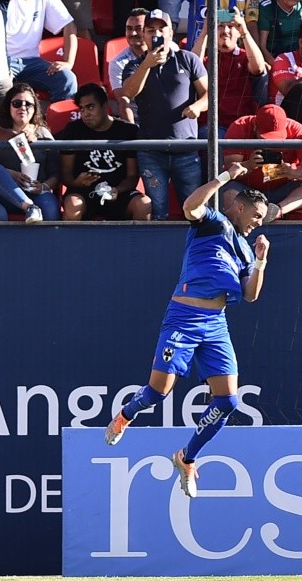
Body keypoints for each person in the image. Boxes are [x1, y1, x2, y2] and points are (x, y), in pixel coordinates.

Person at [104, 172, 271, 500]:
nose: (258, 224)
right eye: (256, 216)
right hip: (184, 317)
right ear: (238, 207)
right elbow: (190, 206)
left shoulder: (247, 251)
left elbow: (250, 295)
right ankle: (125, 415)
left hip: (216, 324)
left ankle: (187, 457)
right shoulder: (213, 222)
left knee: (228, 400)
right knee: (157, 393)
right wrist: (224, 178)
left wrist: (262, 260)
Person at [121, 8, 208, 220]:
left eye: (162, 28)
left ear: (171, 33)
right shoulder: (134, 65)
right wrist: (147, 64)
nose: (156, 34)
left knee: (194, 211)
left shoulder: (187, 59)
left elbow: (209, 95)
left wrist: (197, 107)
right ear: (144, 35)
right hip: (151, 151)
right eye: (151, 29)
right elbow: (129, 92)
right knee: (157, 211)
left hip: (186, 148)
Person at [59, 83, 151, 221]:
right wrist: (76, 183)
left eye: (90, 107)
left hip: (118, 192)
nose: (85, 114)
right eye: (82, 109)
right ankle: (70, 243)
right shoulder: (73, 129)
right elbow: (65, 174)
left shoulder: (127, 130)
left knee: (143, 205)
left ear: (104, 105)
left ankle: (136, 243)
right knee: (73, 204)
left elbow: (132, 176)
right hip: (83, 192)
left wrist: (117, 190)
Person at [0, 82, 60, 223]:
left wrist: (43, 187)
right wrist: (10, 174)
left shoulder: (43, 133)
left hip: (35, 192)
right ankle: (29, 207)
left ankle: (49, 244)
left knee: (50, 210)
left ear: (35, 108)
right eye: (17, 103)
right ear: (9, 106)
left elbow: (55, 173)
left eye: (28, 104)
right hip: (1, 194)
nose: (23, 108)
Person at [221, 104, 302, 219]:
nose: (271, 144)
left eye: (277, 139)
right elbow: (230, 170)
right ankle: (245, 223)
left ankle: (276, 212)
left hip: (281, 191)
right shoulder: (240, 126)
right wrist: (249, 165)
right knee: (229, 193)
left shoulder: (297, 129)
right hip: (246, 190)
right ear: (255, 127)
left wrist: (294, 173)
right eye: (266, 139)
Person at [6, 0, 78, 104]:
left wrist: (68, 62)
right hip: (3, 61)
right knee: (0, 85)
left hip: (32, 61)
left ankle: (57, 126)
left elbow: (69, 26)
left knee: (67, 78)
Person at [190, 7, 268, 134]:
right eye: (220, 26)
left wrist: (244, 31)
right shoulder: (206, 59)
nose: (225, 31)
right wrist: (205, 31)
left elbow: (259, 67)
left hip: (241, 125)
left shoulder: (245, 57)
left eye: (231, 26)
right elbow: (191, 66)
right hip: (210, 126)